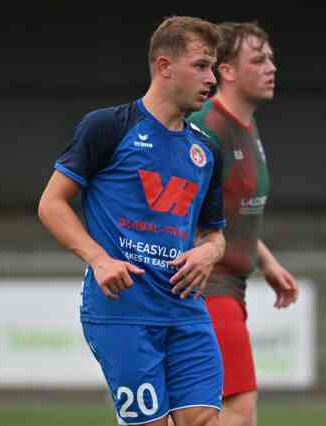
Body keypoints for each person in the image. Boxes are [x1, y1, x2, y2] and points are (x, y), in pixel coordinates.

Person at [38, 16, 226, 426]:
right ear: (164, 67)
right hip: (122, 314)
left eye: (213, 67)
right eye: (201, 65)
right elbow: (51, 204)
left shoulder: (207, 151)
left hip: (186, 312)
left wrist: (209, 253)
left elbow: (214, 233)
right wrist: (99, 259)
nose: (211, 78)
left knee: (205, 421)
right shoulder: (108, 127)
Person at [188, 21, 300, 426]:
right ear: (227, 71)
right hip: (208, 288)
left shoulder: (246, 126)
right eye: (258, 59)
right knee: (237, 409)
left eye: (271, 58)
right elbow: (176, 210)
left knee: (205, 414)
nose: (271, 67)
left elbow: (231, 209)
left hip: (232, 287)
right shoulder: (207, 128)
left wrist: (266, 262)